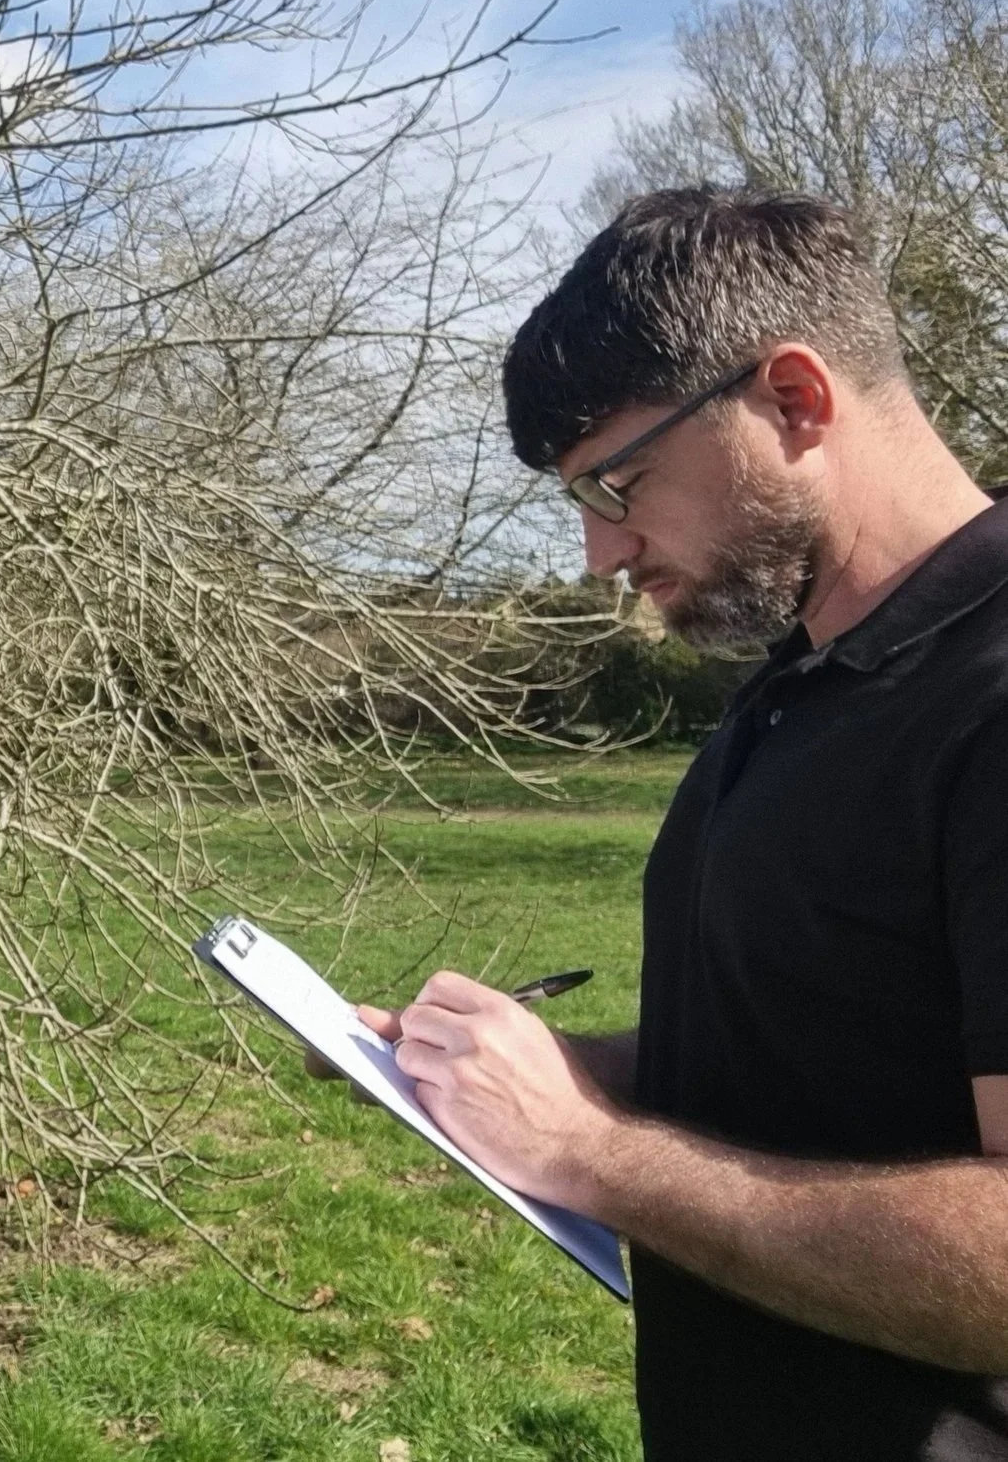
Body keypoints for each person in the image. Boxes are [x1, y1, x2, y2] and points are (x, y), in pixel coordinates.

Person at [340, 187, 1008, 1460]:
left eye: (621, 481)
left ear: (796, 400)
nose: (600, 553)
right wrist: (520, 1072)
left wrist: (591, 1155)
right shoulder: (798, 681)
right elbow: (816, 1057)